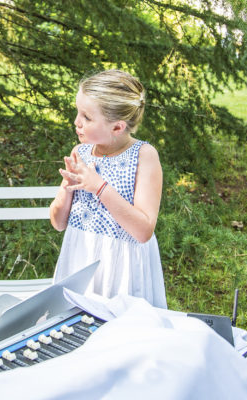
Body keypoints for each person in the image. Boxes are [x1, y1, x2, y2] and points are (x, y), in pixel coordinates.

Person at [49, 69, 167, 308]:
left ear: (117, 127)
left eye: (87, 117)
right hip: (80, 260)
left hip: (122, 267)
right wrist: (67, 191)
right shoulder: (80, 152)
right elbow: (58, 223)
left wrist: (99, 187)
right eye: (77, 112)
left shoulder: (144, 156)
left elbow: (143, 231)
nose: (76, 122)